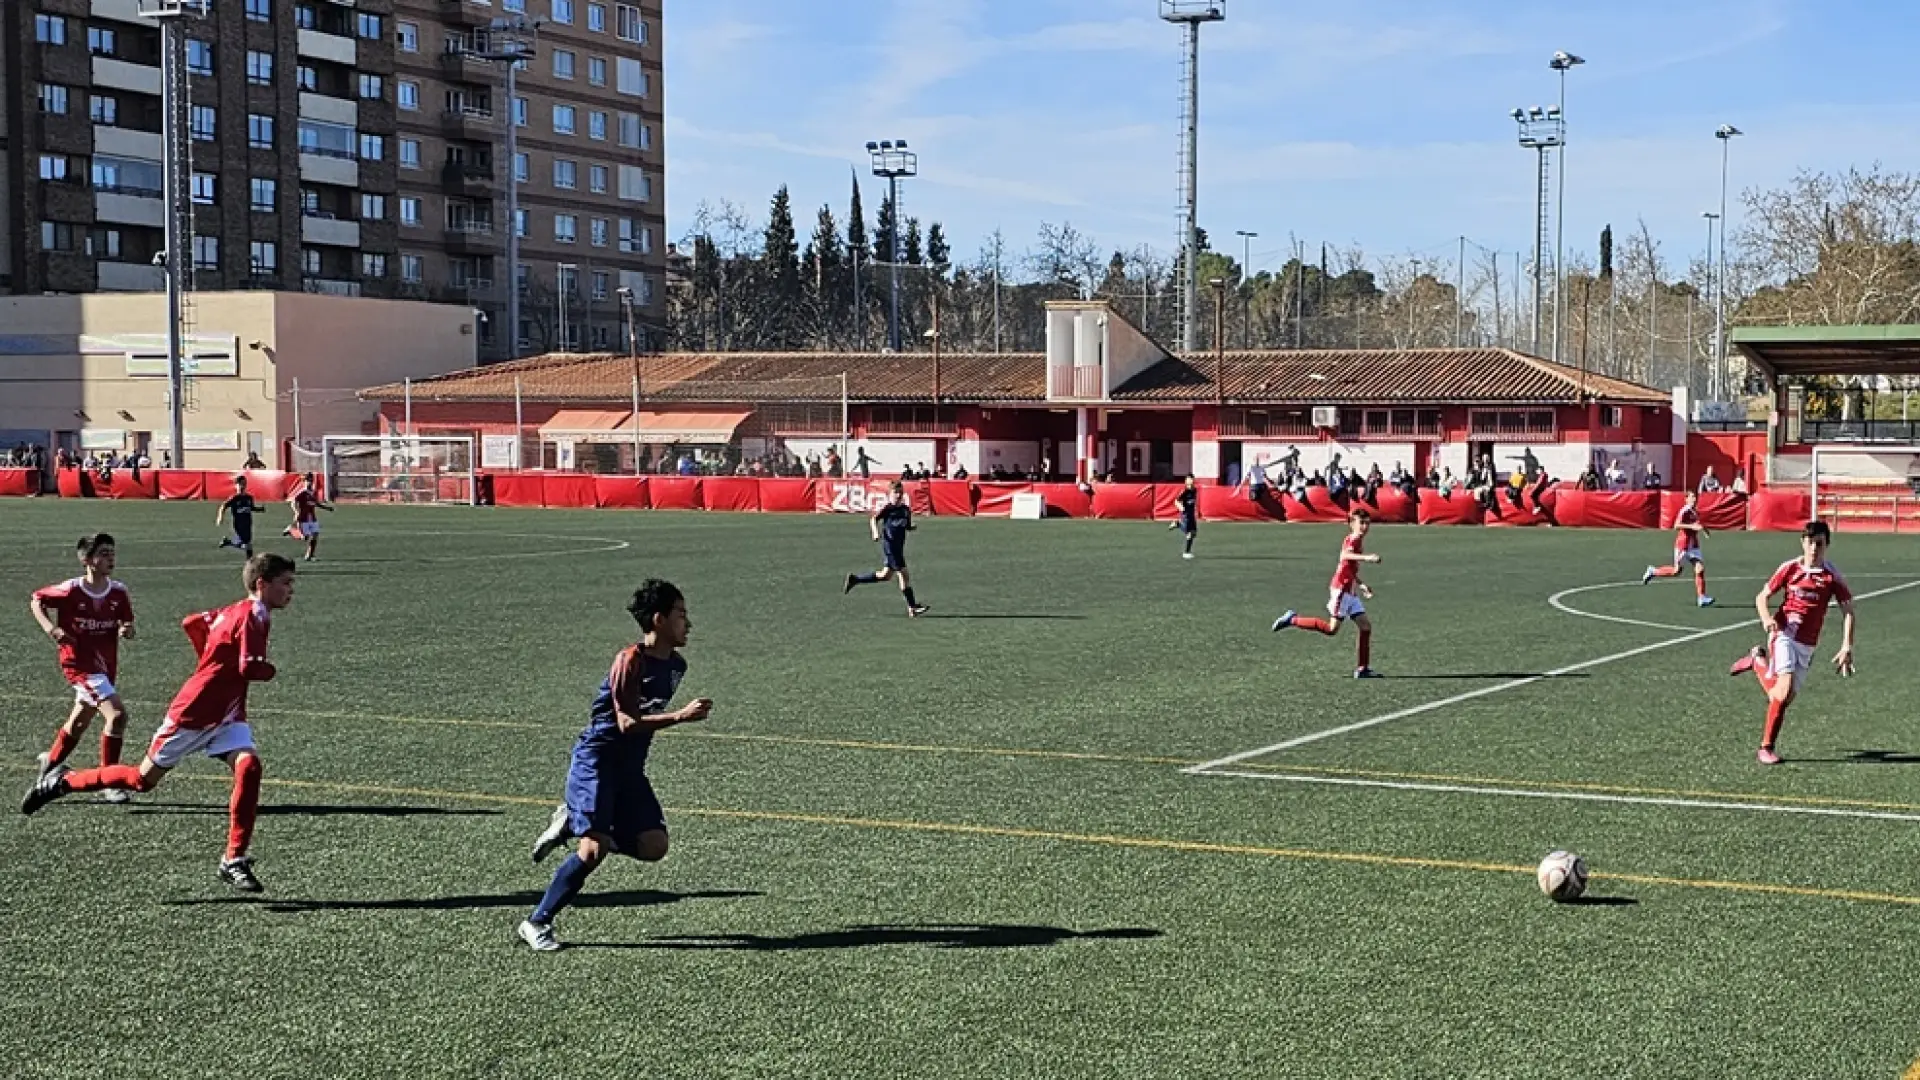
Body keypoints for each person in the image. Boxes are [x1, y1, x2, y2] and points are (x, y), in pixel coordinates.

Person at [22, 553, 299, 892]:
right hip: (193, 712)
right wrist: (263, 670)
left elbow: (193, 622)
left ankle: (234, 859)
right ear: (262, 584)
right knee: (141, 780)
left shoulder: (232, 610)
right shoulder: (255, 614)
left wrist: (210, 665)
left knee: (249, 767)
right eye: (286, 583)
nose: (291, 590)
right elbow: (250, 668)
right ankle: (63, 781)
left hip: (226, 713)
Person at [519, 580, 712, 951]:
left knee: (655, 846)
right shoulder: (629, 660)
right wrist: (681, 716)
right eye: (681, 615)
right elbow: (626, 722)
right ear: (658, 620)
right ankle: (537, 922)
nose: (689, 624)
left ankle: (575, 823)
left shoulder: (676, 665)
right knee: (593, 850)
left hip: (630, 769)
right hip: (598, 761)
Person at [1728, 521, 1856, 765]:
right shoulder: (1789, 568)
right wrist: (1766, 618)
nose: (1814, 548)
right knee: (1783, 689)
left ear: (1827, 545)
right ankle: (1765, 748)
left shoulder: (1831, 576)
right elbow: (1762, 596)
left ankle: (1757, 662)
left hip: (1807, 645)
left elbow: (1848, 611)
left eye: (1819, 544)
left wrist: (1846, 646)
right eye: (1810, 543)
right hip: (1783, 633)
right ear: (1803, 543)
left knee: (1782, 697)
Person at [27, 535, 137, 805]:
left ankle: (49, 764)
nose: (110, 558)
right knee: (118, 716)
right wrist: (51, 628)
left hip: (105, 666)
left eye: (112, 552)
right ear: (87, 560)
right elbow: (36, 600)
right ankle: (108, 781)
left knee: (79, 721)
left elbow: (127, 623)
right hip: (79, 665)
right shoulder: (70, 590)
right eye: (103, 553)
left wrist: (127, 630)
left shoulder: (118, 592)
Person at [1271, 508, 1382, 678]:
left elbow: (1347, 567)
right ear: (1352, 524)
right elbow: (1345, 555)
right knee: (1331, 629)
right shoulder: (1352, 539)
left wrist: (1360, 584)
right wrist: (1367, 558)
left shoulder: (1357, 540)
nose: (1365, 527)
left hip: (1349, 590)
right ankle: (1292, 619)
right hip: (1341, 591)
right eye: (1362, 523)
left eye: (1368, 523)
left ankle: (1362, 668)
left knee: (1365, 626)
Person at [843, 481, 929, 616]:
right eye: (896, 493)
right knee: (904, 574)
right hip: (890, 547)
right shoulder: (888, 508)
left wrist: (911, 527)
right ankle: (912, 607)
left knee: (886, 575)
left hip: (899, 547)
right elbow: (873, 519)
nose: (898, 495)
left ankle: (856, 579)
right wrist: (875, 532)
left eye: (900, 493)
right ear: (890, 494)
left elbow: (906, 525)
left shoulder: (906, 510)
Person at [1641, 489, 1714, 607]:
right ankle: (1653, 571)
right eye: (1692, 497)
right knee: (1676, 571)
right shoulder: (1684, 511)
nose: (1695, 500)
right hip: (1683, 545)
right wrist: (1691, 527)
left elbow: (1698, 524)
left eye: (1696, 497)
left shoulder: (1694, 511)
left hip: (1693, 546)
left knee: (1700, 569)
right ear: (1686, 499)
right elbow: (1676, 526)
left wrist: (1704, 531)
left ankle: (1701, 597)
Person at [282, 474, 334, 561]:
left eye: (310, 480)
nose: (309, 482)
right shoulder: (302, 492)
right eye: (307, 481)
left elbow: (315, 503)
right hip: (303, 518)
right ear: (304, 482)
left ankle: (309, 555)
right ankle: (290, 530)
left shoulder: (312, 492)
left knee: (315, 535)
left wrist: (327, 508)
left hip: (312, 518)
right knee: (304, 537)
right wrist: (296, 512)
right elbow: (293, 502)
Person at [216, 475, 258, 557]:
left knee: (248, 545)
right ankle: (250, 563)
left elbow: (251, 508)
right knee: (247, 546)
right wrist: (220, 517)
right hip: (239, 524)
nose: (242, 486)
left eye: (244, 484)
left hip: (248, 523)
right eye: (240, 484)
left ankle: (228, 542)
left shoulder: (249, 497)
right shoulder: (234, 498)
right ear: (236, 486)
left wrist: (259, 509)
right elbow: (223, 506)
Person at [1168, 475, 1199, 559]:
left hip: (1191, 514)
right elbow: (1176, 501)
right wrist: (1181, 508)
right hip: (1185, 515)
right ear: (1186, 481)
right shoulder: (1184, 492)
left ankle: (1177, 524)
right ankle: (1186, 553)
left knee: (1194, 533)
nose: (1191, 481)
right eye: (1189, 479)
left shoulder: (1195, 490)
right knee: (1189, 533)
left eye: (1192, 479)